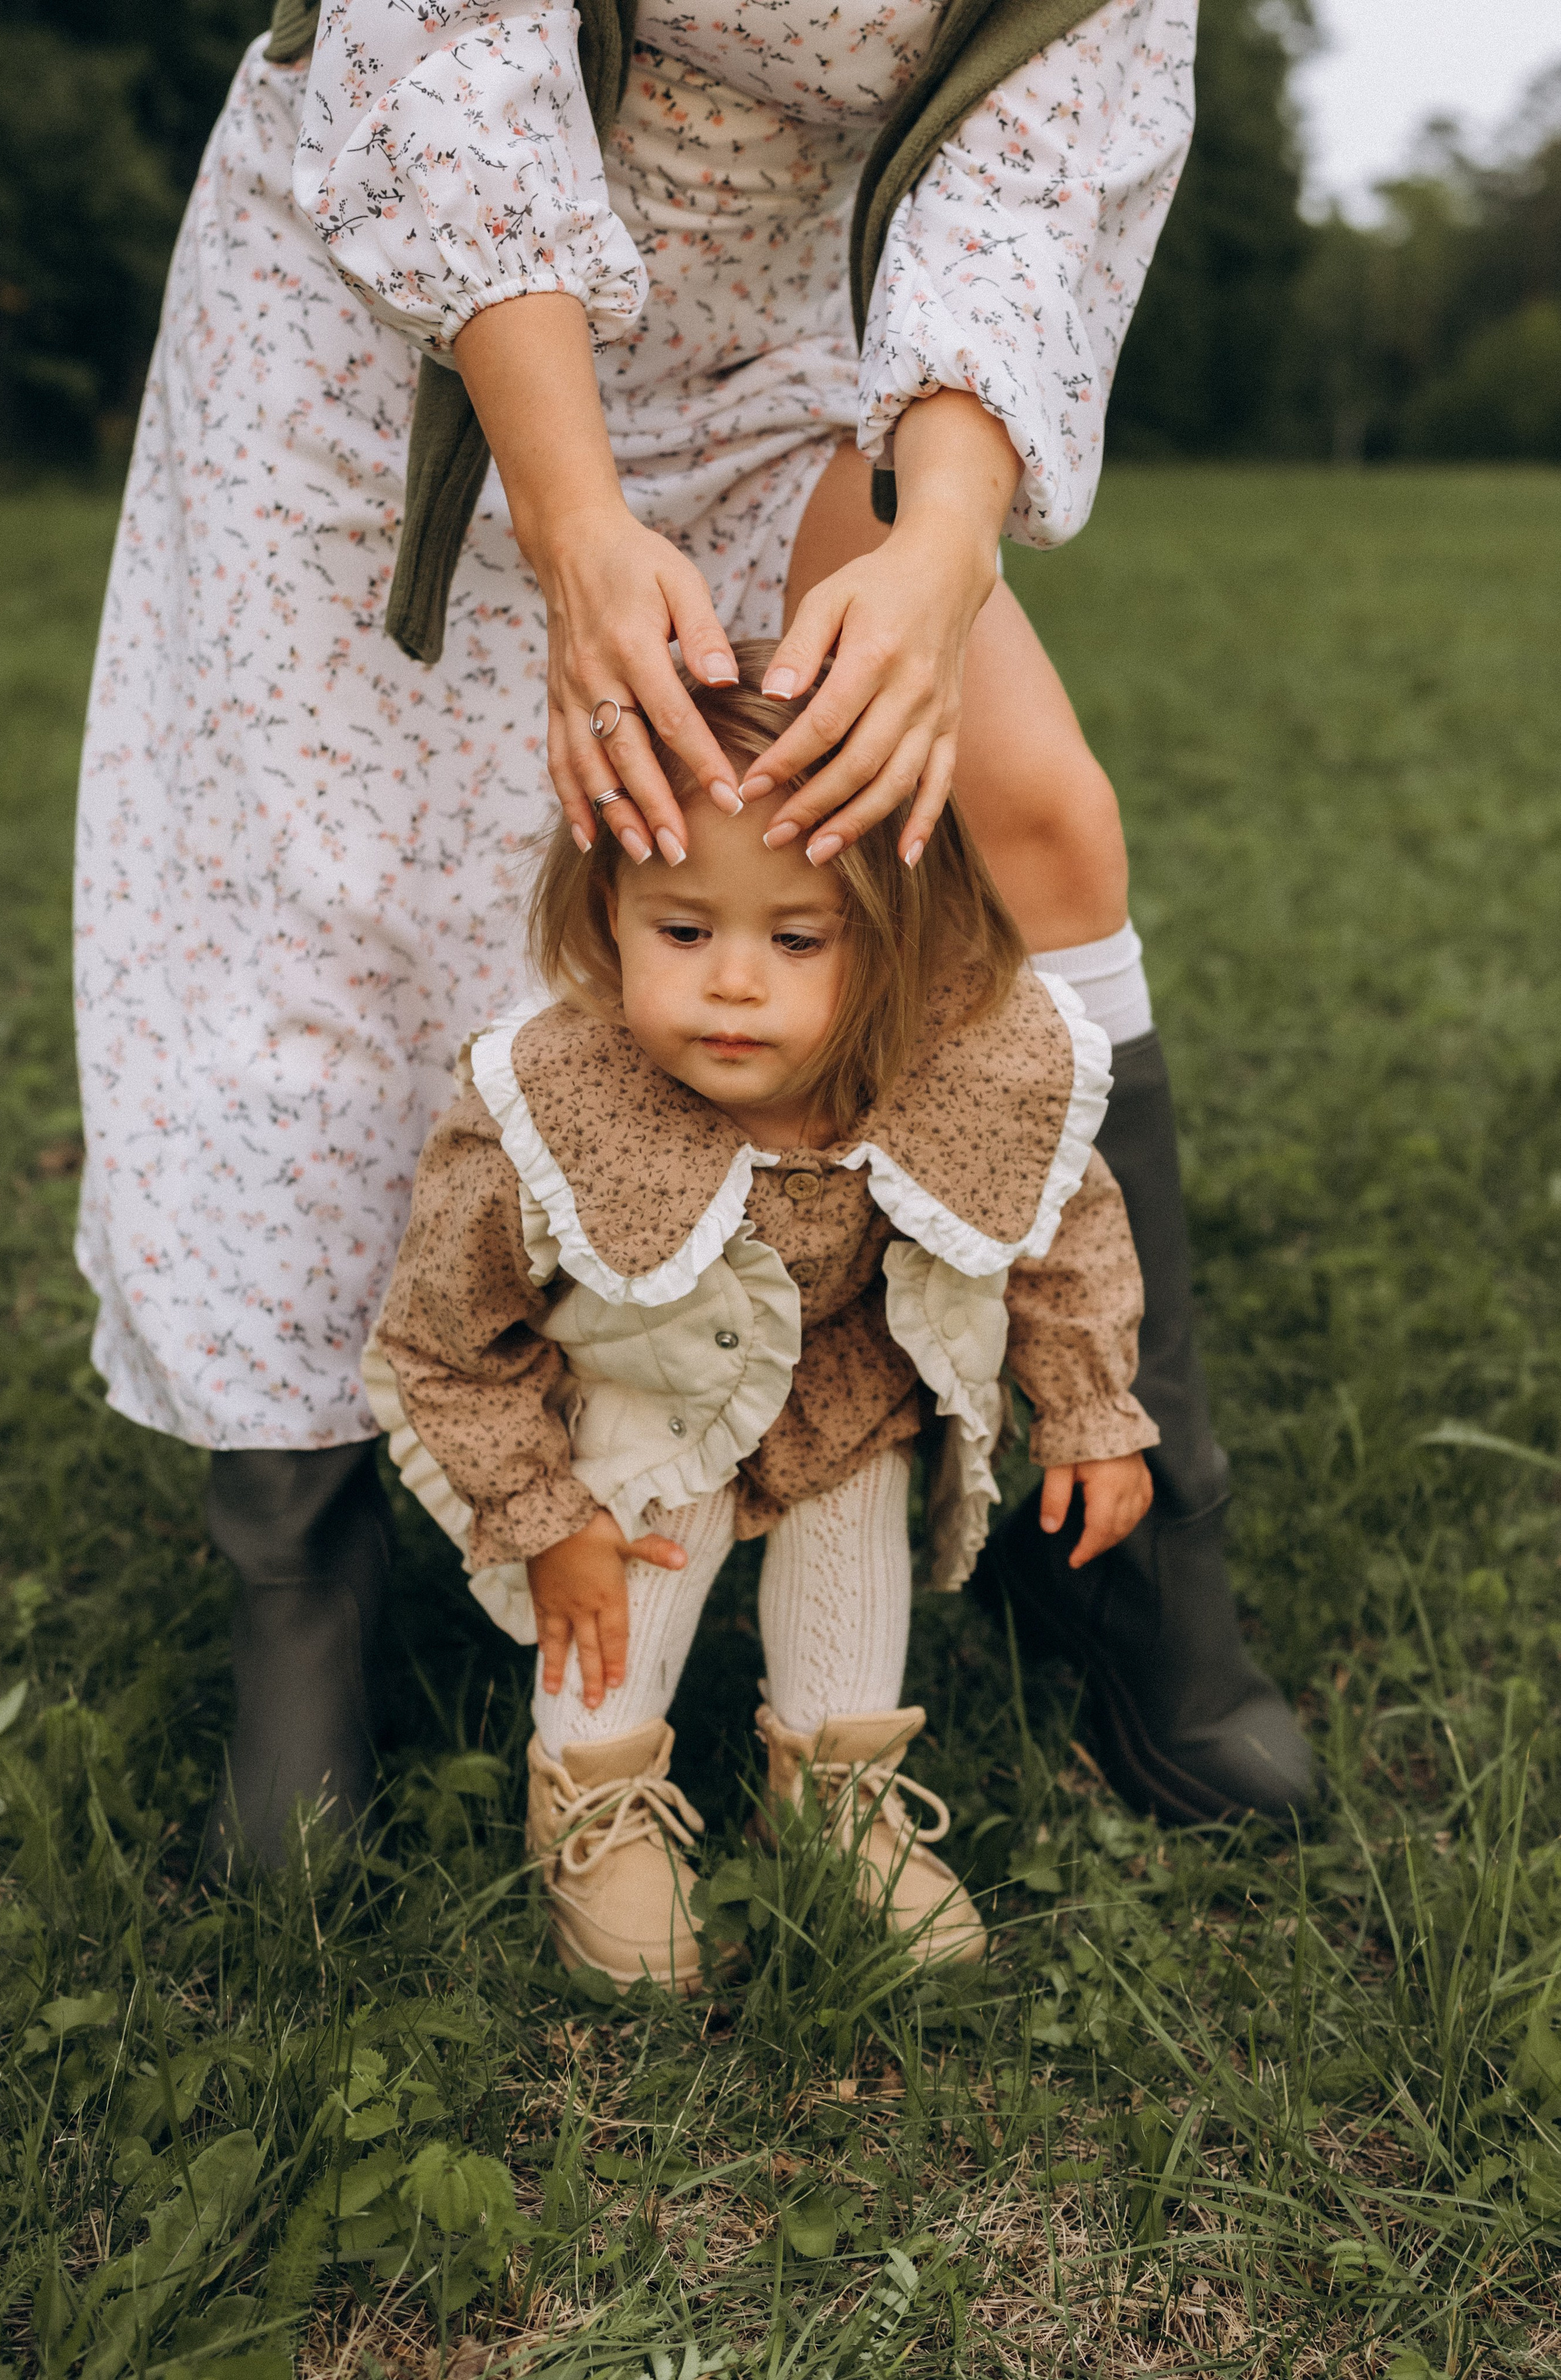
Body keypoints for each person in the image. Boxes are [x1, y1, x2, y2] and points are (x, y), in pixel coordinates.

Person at [74, 0, 1311, 1860]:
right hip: (399, 299)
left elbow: (1039, 177)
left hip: (781, 346)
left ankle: (1128, 1534)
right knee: (320, 910)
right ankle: (304, 1587)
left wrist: (941, 543)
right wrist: (573, 525)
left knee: (1031, 812)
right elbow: (444, 48)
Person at [363, 652, 1158, 1987]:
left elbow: (1056, 1223)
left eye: (796, 939)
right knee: (625, 1597)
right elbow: (444, 1335)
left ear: (895, 939)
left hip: (844, 1385)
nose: (734, 983)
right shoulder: (552, 1106)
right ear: (608, 909)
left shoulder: (952, 1060)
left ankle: (835, 1792)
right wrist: (540, 1515)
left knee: (855, 1554)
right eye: (682, 931)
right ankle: (593, 1793)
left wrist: (1085, 1405)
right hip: (644, 1407)